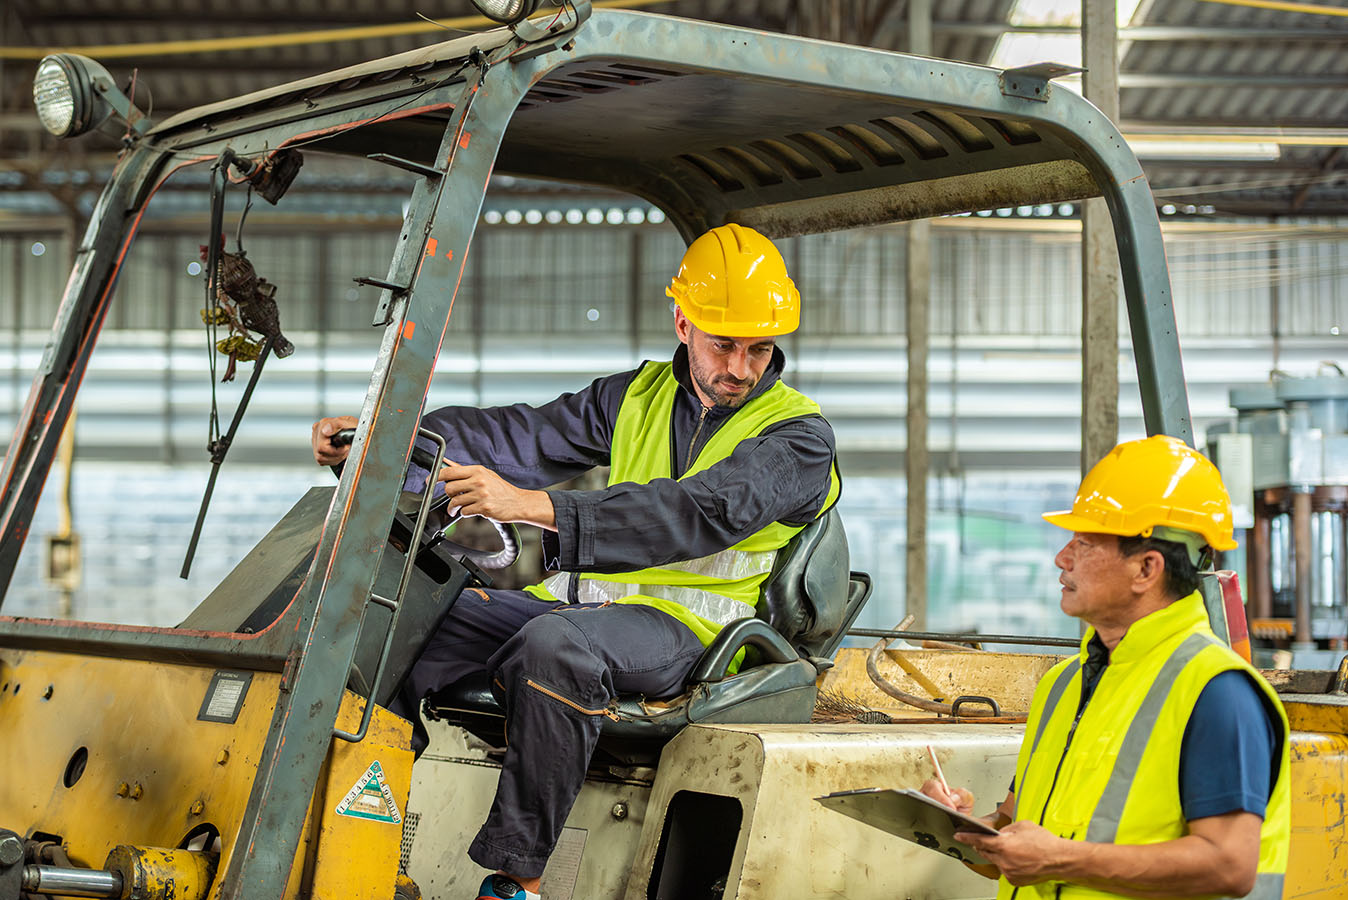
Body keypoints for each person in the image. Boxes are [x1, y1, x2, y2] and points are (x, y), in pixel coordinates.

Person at [312, 224, 839, 900]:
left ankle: (518, 882)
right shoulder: (637, 398)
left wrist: (537, 508)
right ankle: (366, 841)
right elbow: (517, 436)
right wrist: (388, 441)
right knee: (407, 614)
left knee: (555, 646)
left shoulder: (797, 438)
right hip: (593, 617)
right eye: (723, 344)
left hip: (698, 634)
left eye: (759, 348)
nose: (740, 368)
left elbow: (695, 512)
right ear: (683, 322)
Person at [922, 435, 1289, 899]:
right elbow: (1016, 834)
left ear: (1146, 569)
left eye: (1085, 543)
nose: (1062, 558)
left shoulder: (1216, 692)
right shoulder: (1063, 684)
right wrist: (965, 826)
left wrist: (1056, 858)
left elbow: (1229, 865)